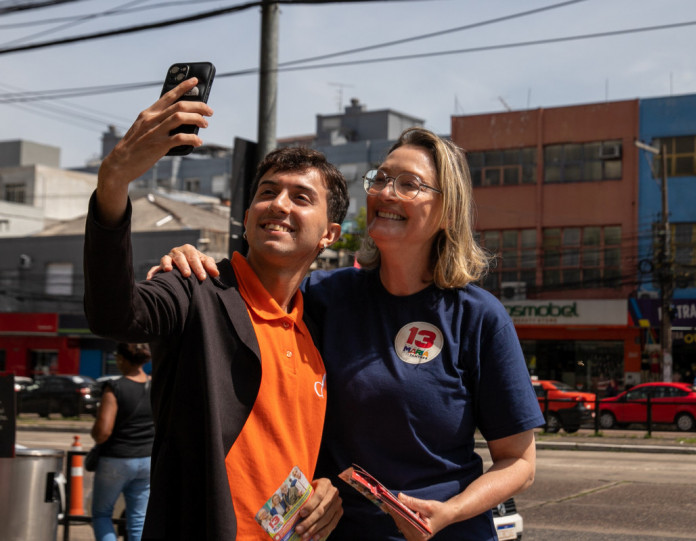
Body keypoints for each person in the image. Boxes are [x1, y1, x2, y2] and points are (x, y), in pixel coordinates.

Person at [156, 127, 545, 540]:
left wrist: (448, 513)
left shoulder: (478, 316)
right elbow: (245, 299)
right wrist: (194, 264)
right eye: (381, 178)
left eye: (408, 184)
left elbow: (519, 464)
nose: (385, 192)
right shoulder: (322, 295)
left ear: (447, 210)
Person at [83, 76, 345, 541]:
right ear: (246, 217)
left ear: (330, 235)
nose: (278, 204)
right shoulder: (195, 286)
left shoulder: (320, 326)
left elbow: (294, 446)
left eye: (301, 197)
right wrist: (114, 182)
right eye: (266, 192)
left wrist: (325, 484)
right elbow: (114, 315)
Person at [90, 343, 153, 541]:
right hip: (147, 459)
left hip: (116, 459)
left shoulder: (114, 387)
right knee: (139, 518)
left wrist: (94, 432)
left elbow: (103, 431)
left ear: (121, 359)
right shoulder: (156, 384)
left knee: (102, 514)